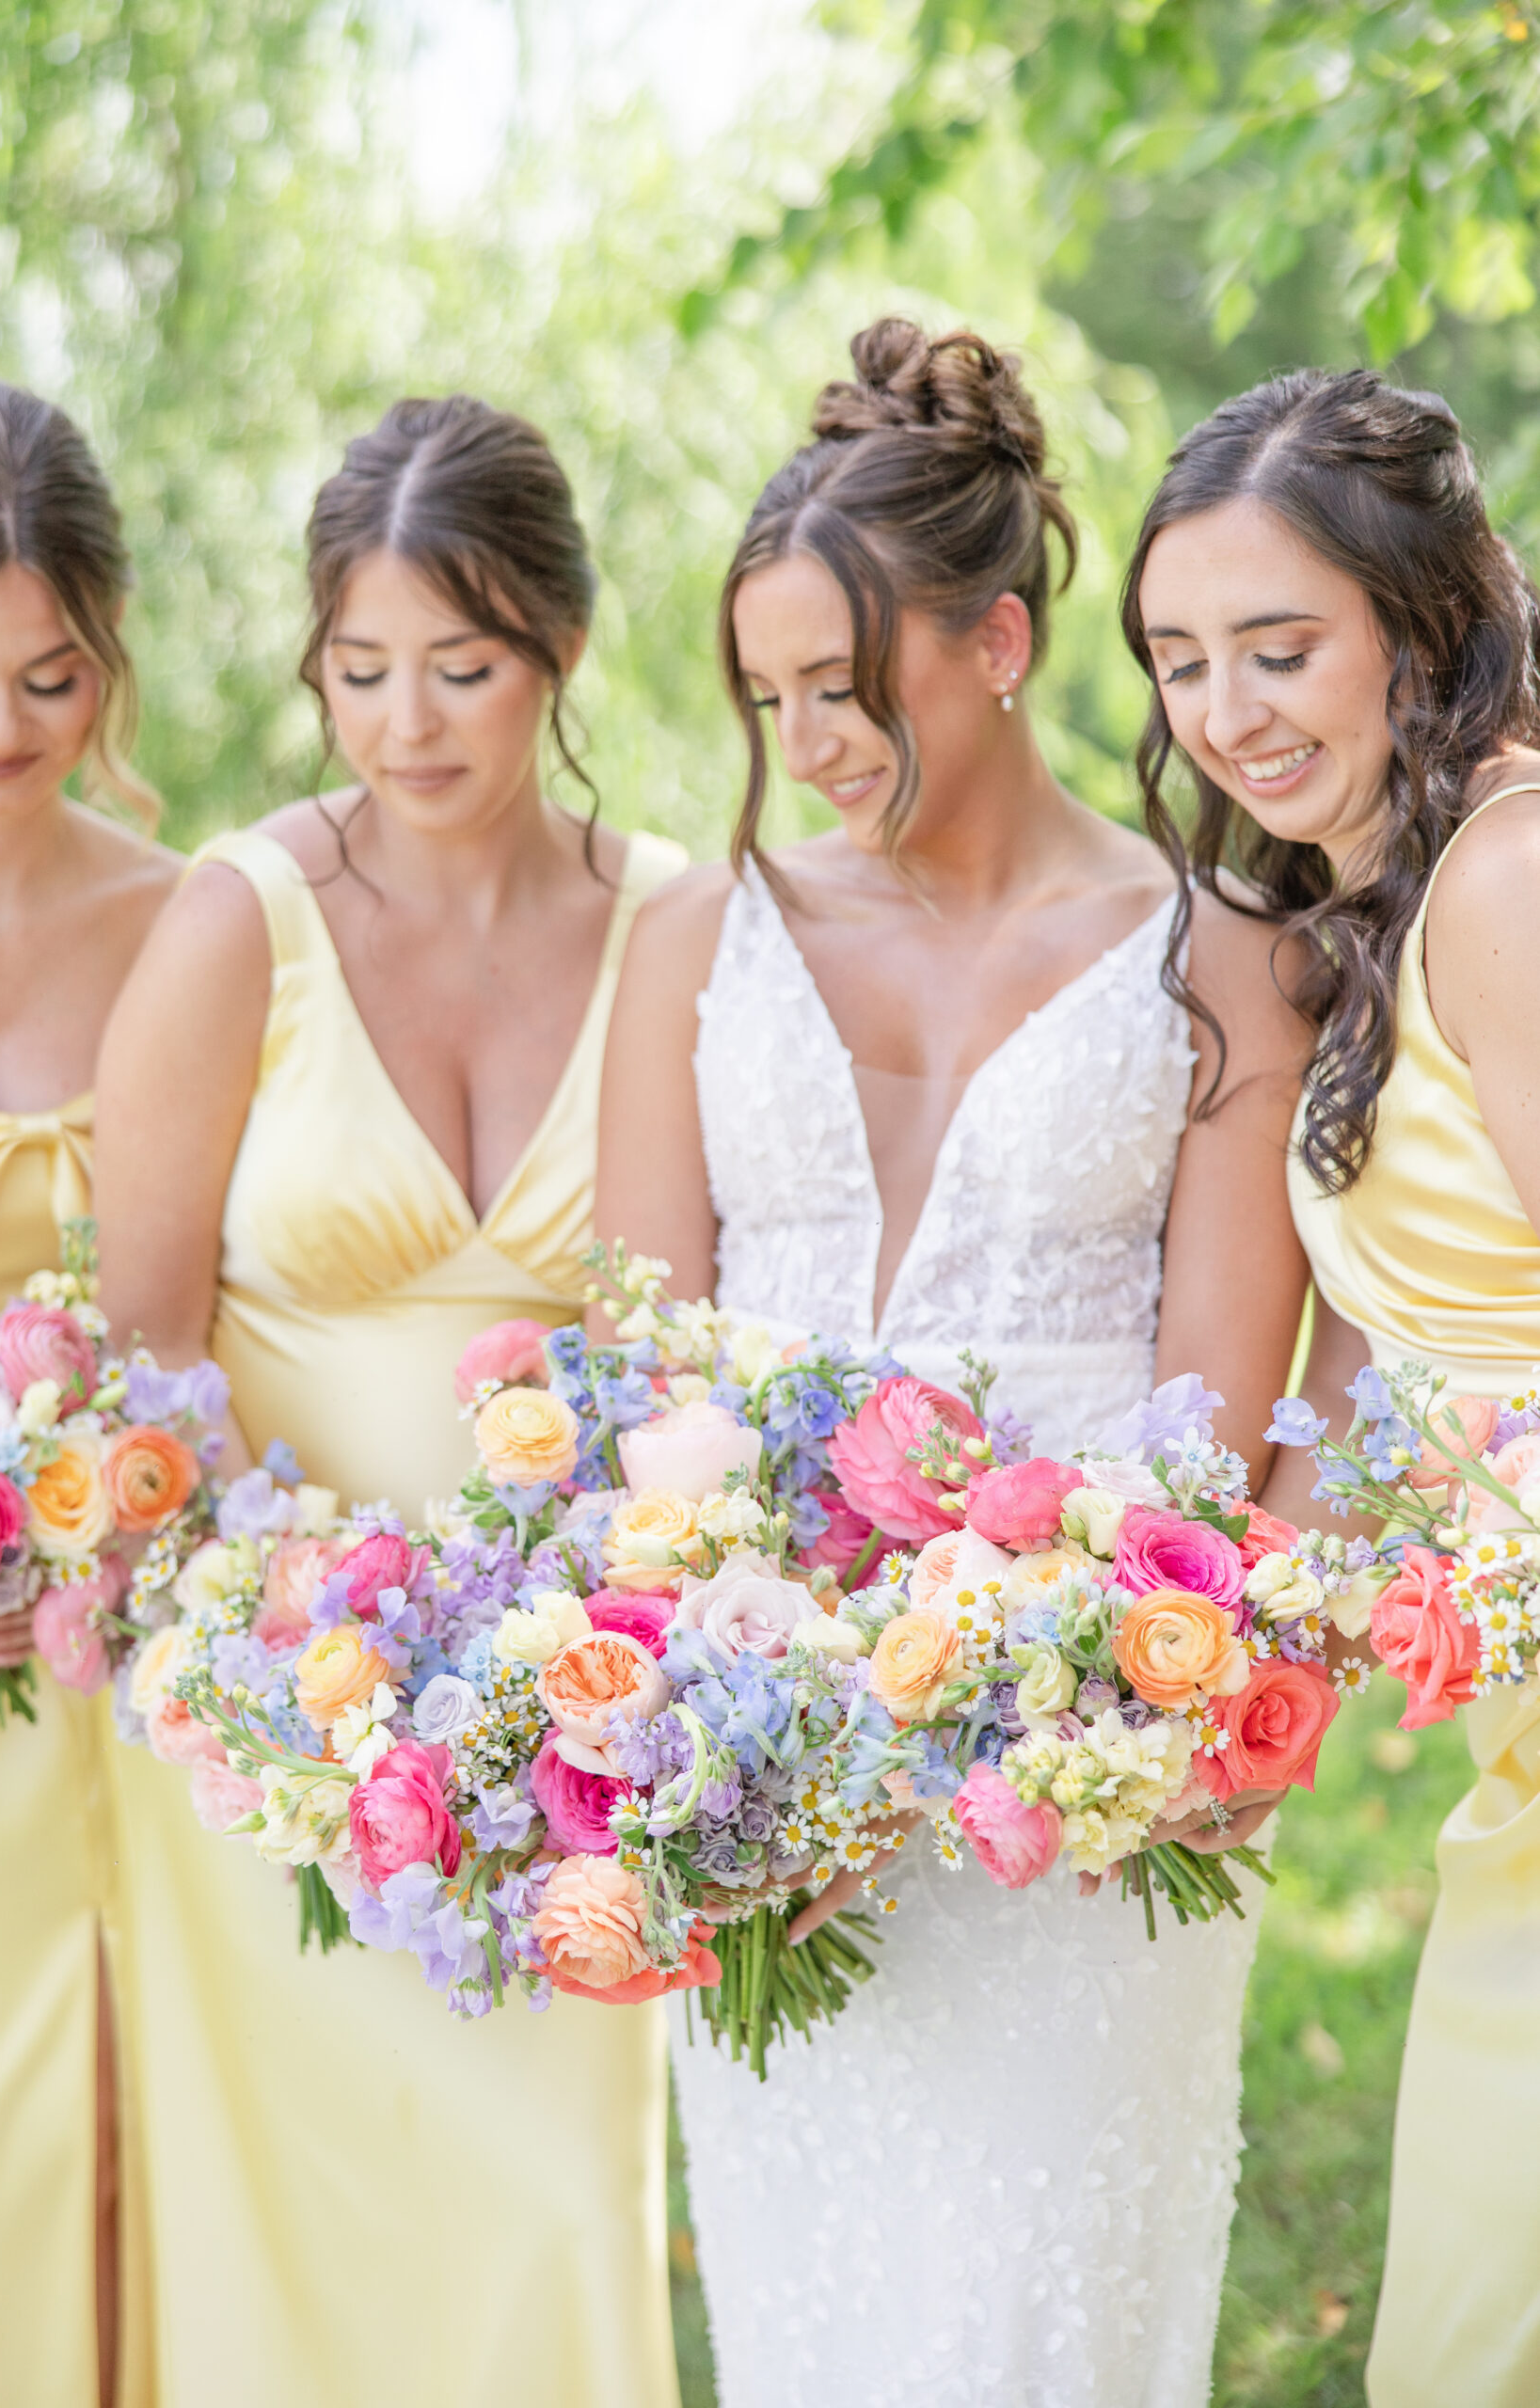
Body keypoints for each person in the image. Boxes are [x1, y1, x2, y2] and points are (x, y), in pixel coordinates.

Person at [595, 319, 1310, 2408]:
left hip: (1081, 1762)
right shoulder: (690, 938)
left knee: (1040, 2326)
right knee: (816, 2323)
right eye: (769, 694)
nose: (804, 736)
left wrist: (1072, 1704)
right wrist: (717, 1706)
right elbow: (646, 1361)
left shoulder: (1219, 948)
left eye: (848, 682)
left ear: (996, 640)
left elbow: (1211, 1420)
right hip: (754, 1760)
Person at [93, 395, 685, 2408]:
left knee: (549, 2214)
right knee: (307, 2234)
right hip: (280, 1707)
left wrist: (581, 1648)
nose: (405, 723)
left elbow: (695, 1327)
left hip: (574, 1718)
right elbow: (146, 1339)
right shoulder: (230, 919)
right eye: (358, 671)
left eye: (463, 666)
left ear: (562, 650)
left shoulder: (670, 921)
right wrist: (306, 1634)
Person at [1126, 364, 1540, 2408]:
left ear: (1421, 619)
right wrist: (1209, 1663)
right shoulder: (1377, 902)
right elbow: (1370, 1369)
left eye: (1276, 645)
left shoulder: (1507, 879)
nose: (1225, 709)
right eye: (1179, 658)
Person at [0, 372, 179, 2408]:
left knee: (127, 2133)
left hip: (124, 1643)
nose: (2, 735)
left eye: (48, 675)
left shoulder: (191, 925)